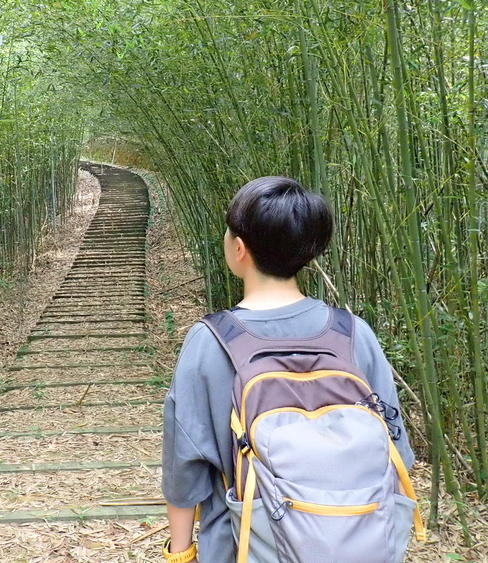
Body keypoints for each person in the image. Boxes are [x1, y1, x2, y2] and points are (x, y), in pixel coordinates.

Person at [160, 176, 415, 563]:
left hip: (244, 546)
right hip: (362, 540)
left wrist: (180, 552)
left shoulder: (210, 341)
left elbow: (185, 468)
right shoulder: (352, 333)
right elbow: (396, 450)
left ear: (239, 248)